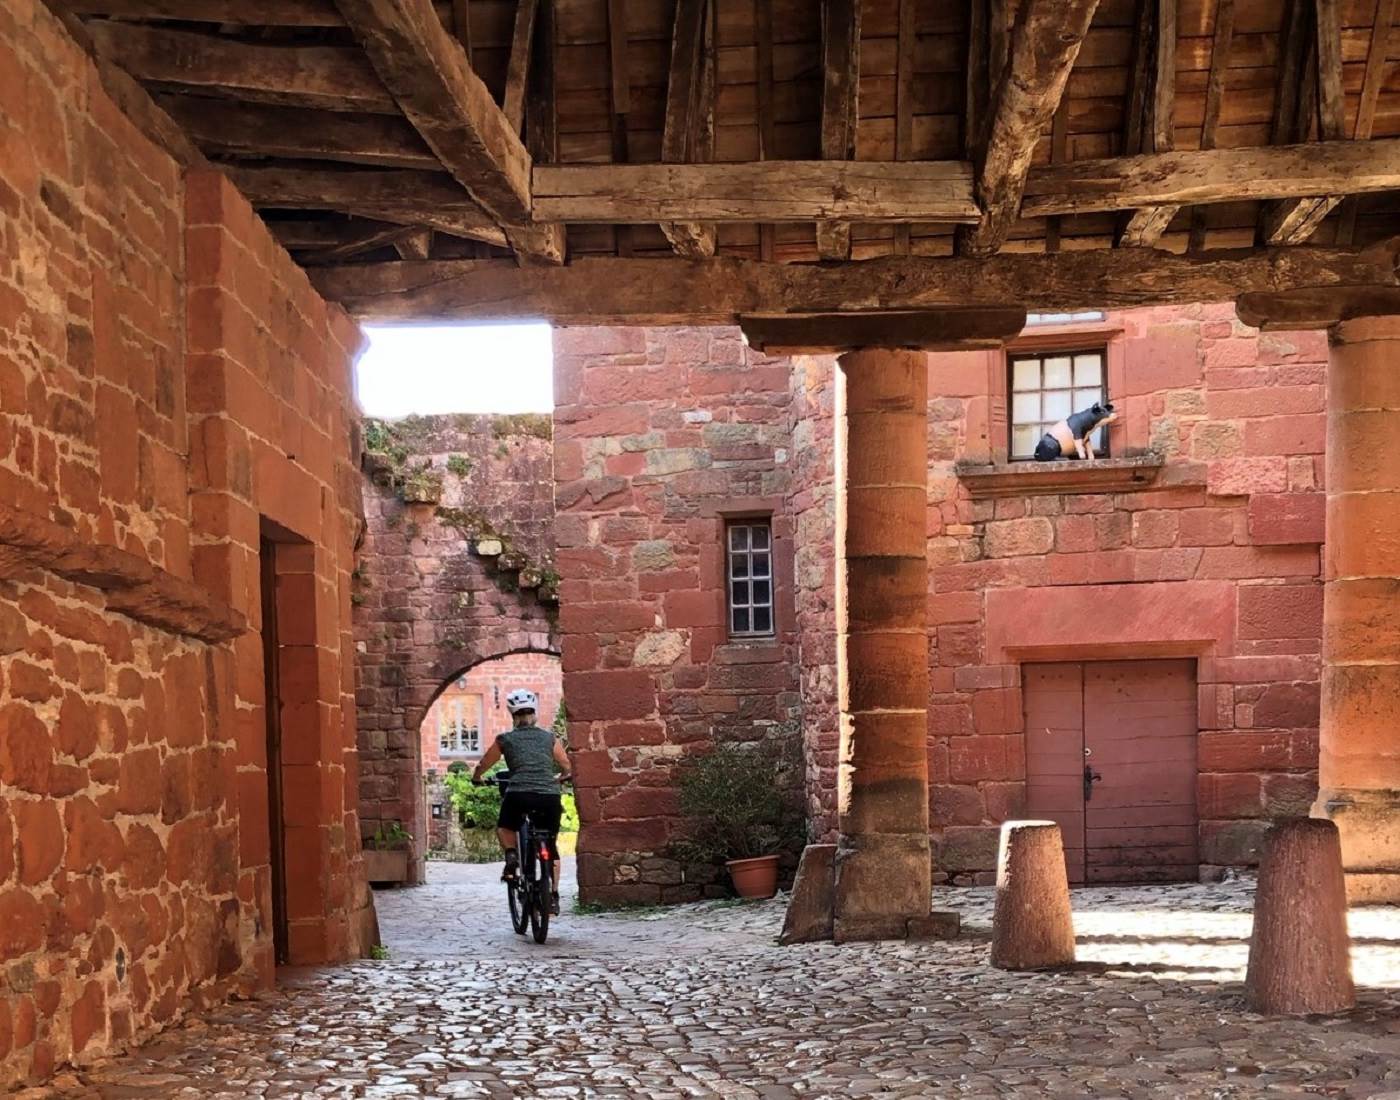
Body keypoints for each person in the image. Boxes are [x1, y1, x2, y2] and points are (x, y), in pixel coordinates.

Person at [471, 689, 571, 915]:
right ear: (534, 714)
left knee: (505, 827)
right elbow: (566, 764)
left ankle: (512, 856)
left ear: (513, 716)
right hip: (549, 797)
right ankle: (553, 896)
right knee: (551, 847)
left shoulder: (505, 739)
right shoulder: (549, 738)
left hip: (519, 794)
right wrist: (562, 776)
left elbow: (485, 763)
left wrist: (477, 778)